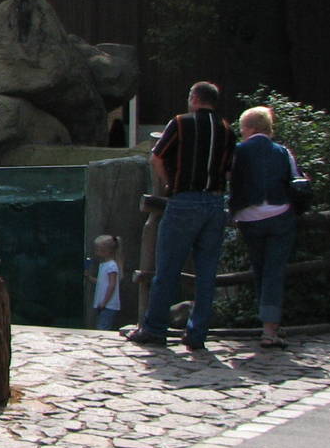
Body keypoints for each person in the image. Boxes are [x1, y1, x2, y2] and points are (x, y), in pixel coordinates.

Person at [127, 81, 235, 350]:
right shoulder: (226, 129)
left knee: (168, 269)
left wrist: (167, 184)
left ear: (194, 98)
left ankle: (154, 329)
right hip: (214, 202)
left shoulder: (180, 123)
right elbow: (230, 168)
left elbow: (157, 157)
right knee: (207, 272)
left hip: (184, 199)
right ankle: (197, 334)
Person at [229, 105, 302, 350]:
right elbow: (297, 180)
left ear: (248, 129)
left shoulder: (238, 151)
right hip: (280, 214)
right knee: (274, 271)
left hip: (249, 217)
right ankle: (270, 329)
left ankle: (265, 322)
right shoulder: (282, 152)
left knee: (260, 269)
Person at [87, 234, 123, 331]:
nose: (96, 252)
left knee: (103, 328)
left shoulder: (112, 266)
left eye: (98, 250)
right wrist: (90, 278)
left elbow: (112, 285)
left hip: (108, 304)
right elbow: (103, 282)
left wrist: (104, 302)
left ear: (107, 251)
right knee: (101, 326)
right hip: (103, 304)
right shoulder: (104, 265)